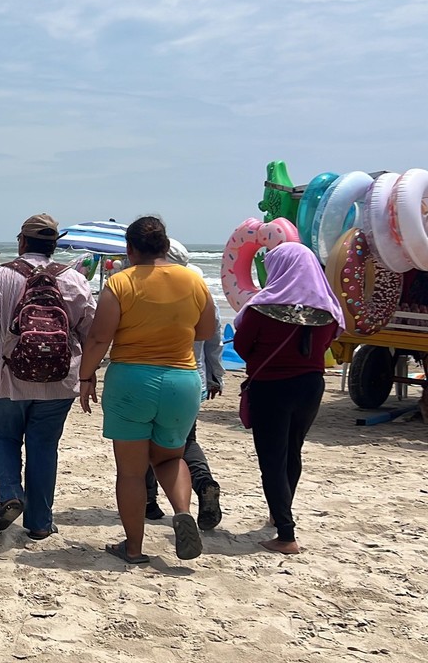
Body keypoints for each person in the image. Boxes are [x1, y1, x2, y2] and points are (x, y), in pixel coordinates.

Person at [78, 216, 216, 564]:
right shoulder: (195, 281)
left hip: (132, 380)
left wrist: (86, 375)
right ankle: (182, 511)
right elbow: (205, 331)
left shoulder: (120, 282)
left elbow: (99, 337)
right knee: (171, 457)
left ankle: (134, 548)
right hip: (181, 381)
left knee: (131, 471)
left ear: (130, 249)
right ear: (165, 245)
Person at [0, 214, 95, 540]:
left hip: (5, 376)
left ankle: (10, 493)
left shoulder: (0, 276)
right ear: (54, 246)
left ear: (21, 242)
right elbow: (92, 331)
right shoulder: (75, 280)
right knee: (44, 447)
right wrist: (88, 375)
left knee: (3, 437)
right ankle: (39, 523)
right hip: (59, 381)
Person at [233, 242, 342, 555]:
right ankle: (280, 512)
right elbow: (326, 346)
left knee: (272, 459)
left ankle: (285, 534)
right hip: (310, 385)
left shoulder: (260, 309)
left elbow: (242, 347)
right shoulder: (327, 310)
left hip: (271, 388)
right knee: (293, 451)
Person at [143, 242, 226, 529]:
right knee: (185, 441)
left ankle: (148, 502)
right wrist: (215, 375)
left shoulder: (150, 291)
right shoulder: (201, 292)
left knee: (144, 438)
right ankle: (204, 485)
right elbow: (214, 341)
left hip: (151, 377)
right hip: (192, 380)